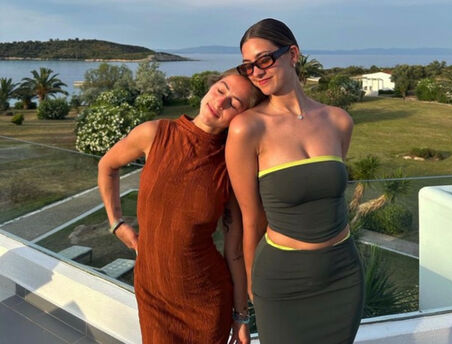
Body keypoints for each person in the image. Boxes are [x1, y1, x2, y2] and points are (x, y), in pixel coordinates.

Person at [98, 69, 264, 344]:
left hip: (205, 301)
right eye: (221, 90)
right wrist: (116, 222)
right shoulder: (155, 134)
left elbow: (234, 252)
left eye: (234, 103)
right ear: (210, 87)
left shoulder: (231, 165)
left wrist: (241, 316)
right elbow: (107, 166)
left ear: (242, 117)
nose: (220, 102)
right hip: (152, 293)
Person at [226, 18, 365, 343]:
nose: (256, 72)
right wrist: (251, 285)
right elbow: (251, 218)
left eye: (264, 60)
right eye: (248, 66)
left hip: (343, 274)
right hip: (282, 279)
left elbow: (325, 193)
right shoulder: (248, 128)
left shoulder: (338, 121)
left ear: (293, 54)